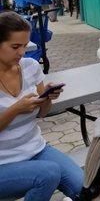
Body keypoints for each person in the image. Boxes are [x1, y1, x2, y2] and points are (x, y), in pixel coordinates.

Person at [0, 11, 83, 201]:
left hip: (36, 149)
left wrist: (47, 98)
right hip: (3, 163)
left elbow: (41, 114)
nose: (22, 52)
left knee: (83, 189)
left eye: (24, 45)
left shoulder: (30, 66)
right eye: (15, 47)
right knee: (48, 174)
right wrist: (15, 109)